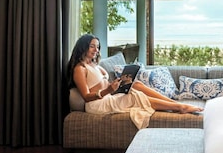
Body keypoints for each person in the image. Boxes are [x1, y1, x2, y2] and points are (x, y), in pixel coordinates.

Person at [67, 34, 201, 129]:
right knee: (136, 97)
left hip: (108, 95)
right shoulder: (80, 69)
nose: (96, 50)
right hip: (97, 104)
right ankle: (180, 107)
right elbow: (86, 96)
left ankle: (175, 103)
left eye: (97, 47)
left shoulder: (95, 65)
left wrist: (120, 83)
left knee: (136, 85)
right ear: (83, 47)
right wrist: (108, 90)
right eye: (92, 46)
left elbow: (104, 85)